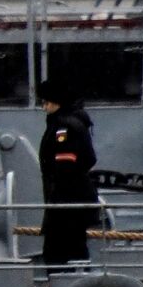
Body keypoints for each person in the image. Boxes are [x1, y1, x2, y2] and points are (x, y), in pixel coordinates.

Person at [37, 78, 100, 267]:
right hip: (72, 202)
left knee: (58, 251)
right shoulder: (71, 122)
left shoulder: (64, 128)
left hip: (67, 203)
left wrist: (57, 201)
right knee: (74, 248)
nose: (43, 107)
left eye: (45, 102)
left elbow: (65, 167)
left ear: (55, 101)